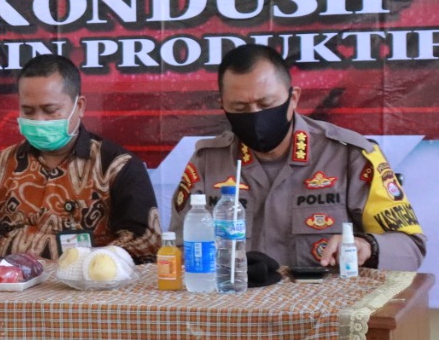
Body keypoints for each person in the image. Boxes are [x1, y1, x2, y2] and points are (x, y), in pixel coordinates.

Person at [170, 44, 425, 270]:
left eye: (266, 104)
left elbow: (411, 246)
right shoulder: (207, 162)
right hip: (233, 304)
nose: (255, 115)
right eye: (240, 108)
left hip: (328, 305)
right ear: (223, 106)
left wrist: (367, 246)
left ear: (293, 99)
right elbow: (179, 248)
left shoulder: (350, 156)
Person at [0, 54, 162, 263]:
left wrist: (91, 264)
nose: (39, 120)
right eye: (28, 111)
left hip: (89, 281)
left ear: (79, 106)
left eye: (50, 110)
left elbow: (144, 246)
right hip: (8, 281)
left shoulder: (117, 167)